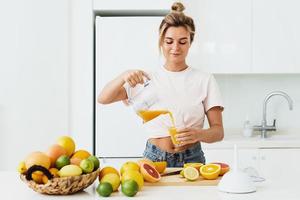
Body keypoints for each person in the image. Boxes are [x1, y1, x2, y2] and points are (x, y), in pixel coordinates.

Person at [98, 2, 224, 167]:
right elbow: (103, 98)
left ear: (190, 43)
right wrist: (123, 75)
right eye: (169, 41)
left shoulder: (204, 79)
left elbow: (218, 131)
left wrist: (199, 134)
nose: (175, 48)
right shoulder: (145, 78)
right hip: (154, 158)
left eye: (182, 41)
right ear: (161, 42)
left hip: (192, 159)